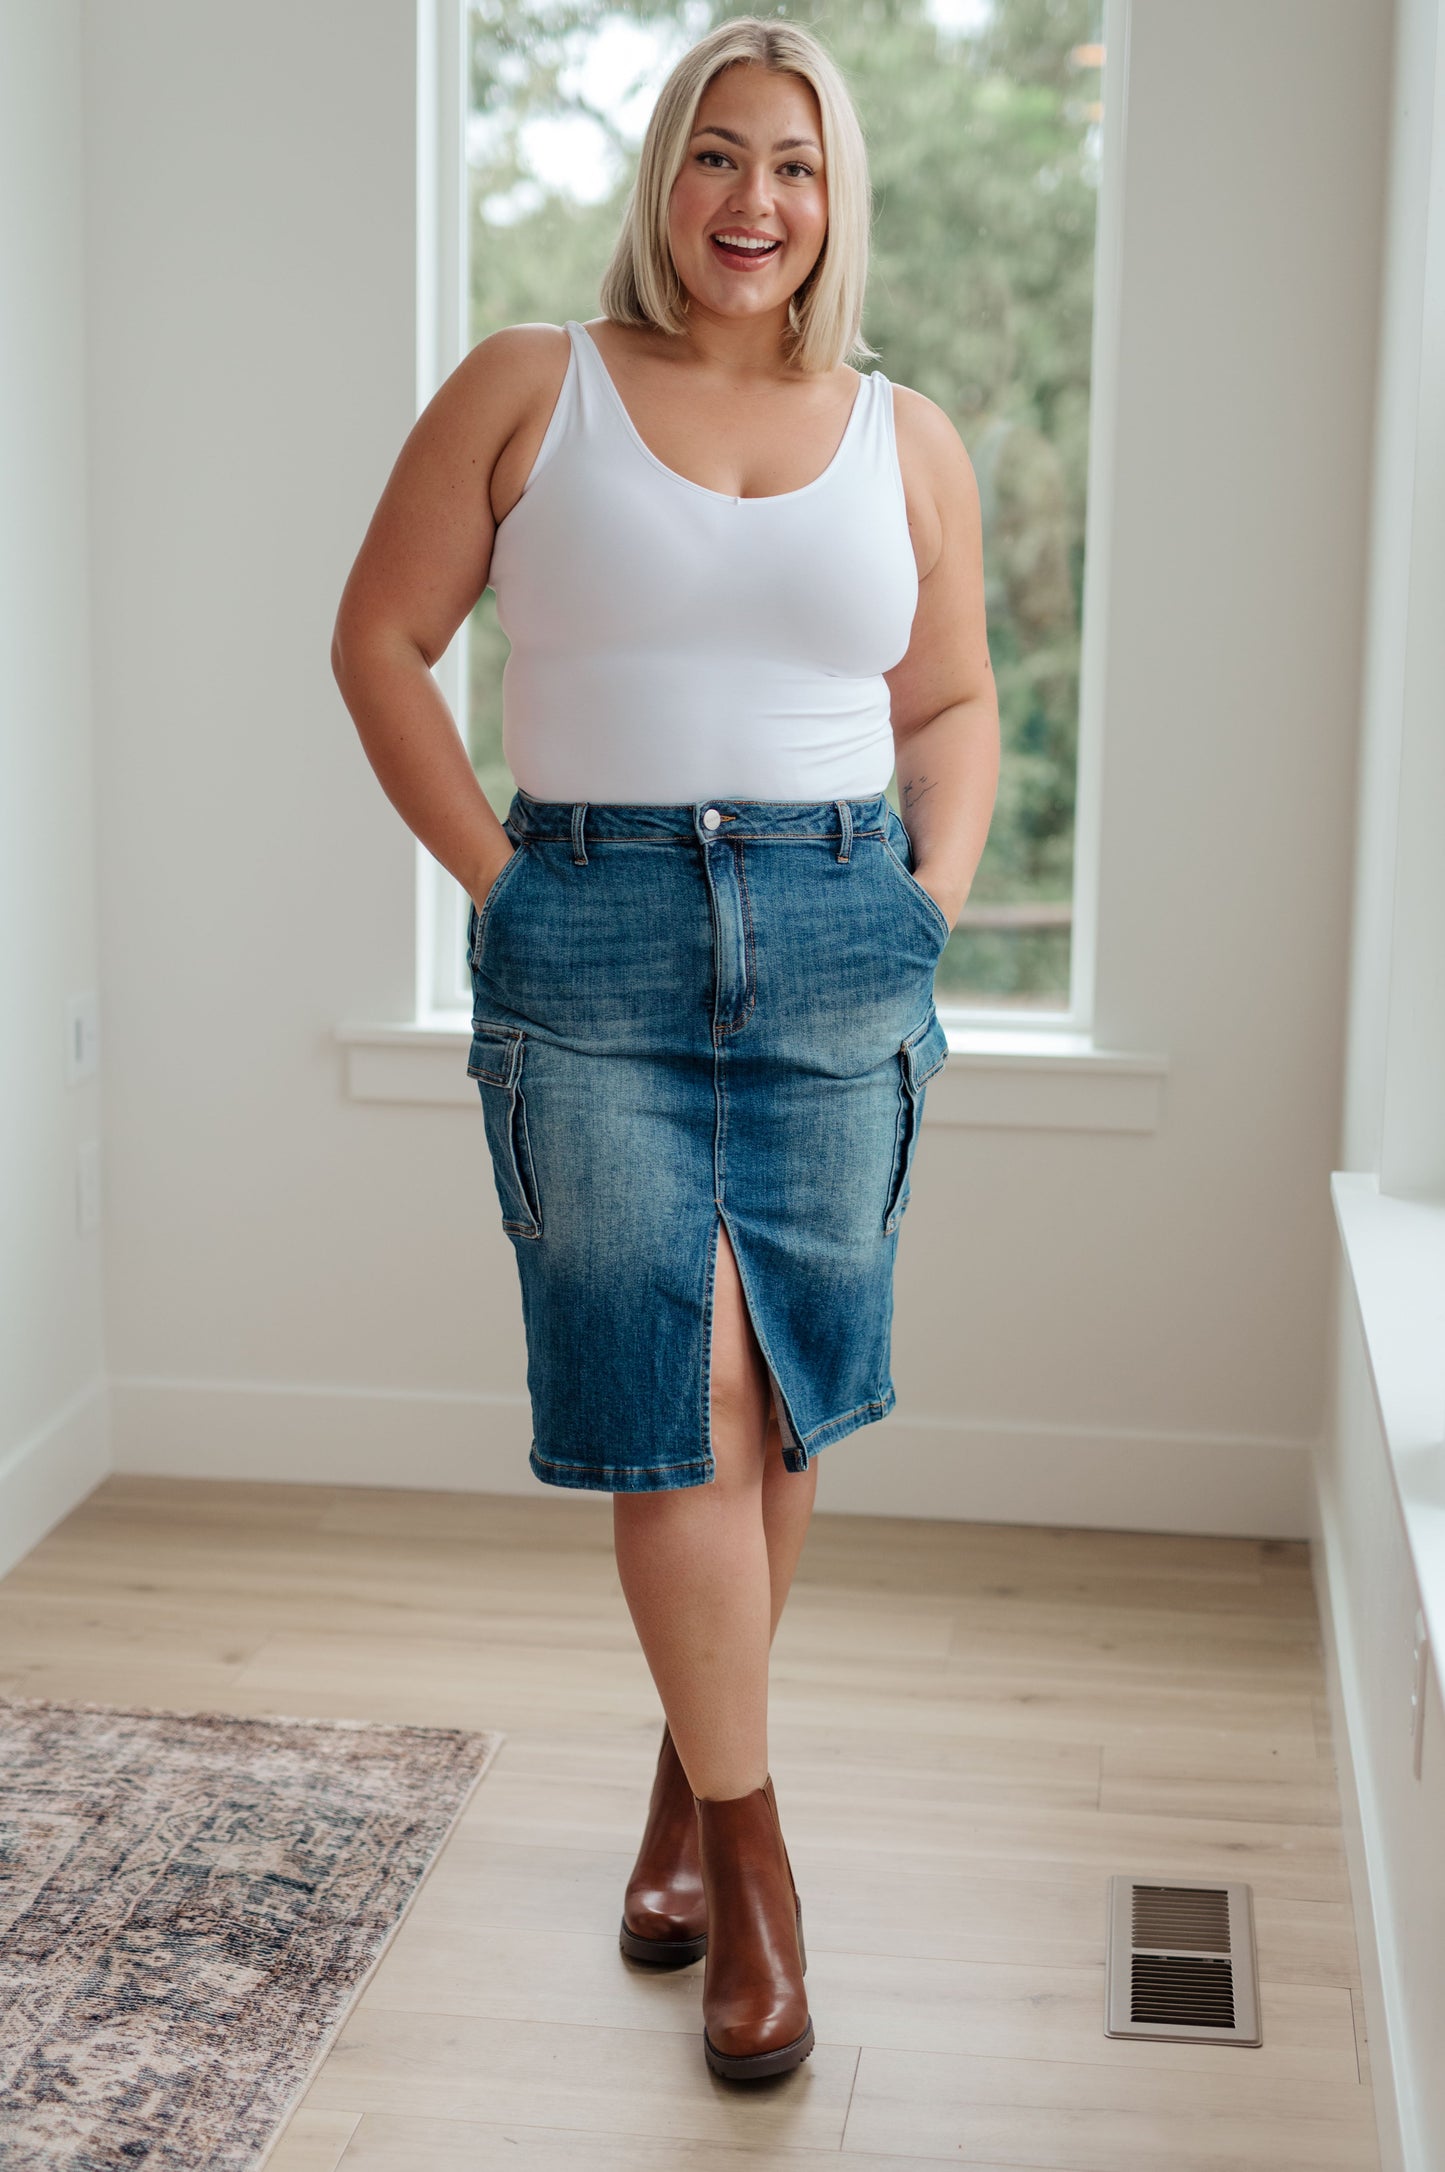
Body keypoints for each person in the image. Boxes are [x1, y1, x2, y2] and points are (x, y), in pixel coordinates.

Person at [330, 15, 998, 2085]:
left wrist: (930, 899)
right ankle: (760, 1876)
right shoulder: (530, 387)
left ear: (834, 196)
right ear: (665, 177)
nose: (752, 198)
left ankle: (686, 1792)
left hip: (838, 937)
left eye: (793, 163)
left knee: (779, 1408)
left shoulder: (908, 436)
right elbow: (378, 640)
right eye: (718, 153)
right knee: (679, 1405)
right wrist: (499, 882)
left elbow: (951, 704)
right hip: (593, 938)